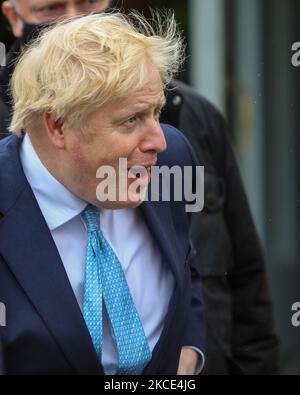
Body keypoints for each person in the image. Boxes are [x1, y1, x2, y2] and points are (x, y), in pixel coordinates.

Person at [0, 0, 280, 375]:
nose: (158, 141)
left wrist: (190, 353)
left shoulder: (173, 157)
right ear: (58, 126)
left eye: (156, 112)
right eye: (131, 120)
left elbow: (190, 267)